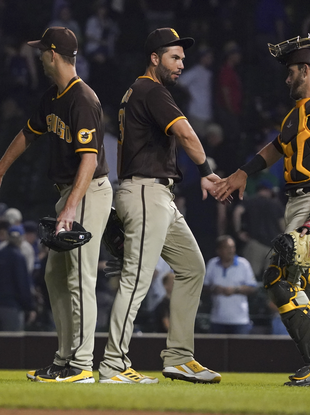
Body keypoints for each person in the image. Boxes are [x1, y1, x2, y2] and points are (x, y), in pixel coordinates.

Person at [0, 27, 112, 384]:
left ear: (52, 54)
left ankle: (81, 365)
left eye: (40, 51)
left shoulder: (83, 99)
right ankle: (65, 358)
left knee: (80, 277)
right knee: (54, 277)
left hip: (89, 190)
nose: (36, 56)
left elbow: (90, 160)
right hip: (69, 191)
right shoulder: (53, 97)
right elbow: (28, 133)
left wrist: (70, 208)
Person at [216, 34, 310, 387]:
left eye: (292, 70)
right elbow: (277, 147)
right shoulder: (299, 114)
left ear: (306, 70)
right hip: (299, 203)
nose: (287, 77)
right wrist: (243, 171)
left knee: (283, 278)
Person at [97, 28, 225, 385]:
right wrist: (205, 172)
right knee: (137, 280)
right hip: (145, 192)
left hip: (155, 193)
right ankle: (113, 365)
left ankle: (179, 357)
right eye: (175, 56)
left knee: (192, 267)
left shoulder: (137, 93)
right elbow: (185, 132)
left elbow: (130, 146)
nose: (182, 63)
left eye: (183, 58)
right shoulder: (151, 90)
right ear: (154, 58)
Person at [0, 225, 36, 331]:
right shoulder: (18, 257)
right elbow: (22, 284)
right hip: (11, 307)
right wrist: (29, 307)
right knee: (13, 344)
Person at [204, 235, 258, 335]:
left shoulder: (244, 264)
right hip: (217, 320)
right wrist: (214, 289)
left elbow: (252, 287)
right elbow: (204, 287)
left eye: (232, 247)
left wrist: (235, 290)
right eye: (226, 248)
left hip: (240, 321)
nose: (230, 251)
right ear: (218, 250)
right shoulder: (212, 264)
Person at [231, 182, 285, 280]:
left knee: (250, 277)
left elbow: (237, 212)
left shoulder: (250, 201)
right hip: (272, 247)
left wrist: (238, 231)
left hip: (254, 244)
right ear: (269, 190)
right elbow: (283, 225)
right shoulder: (275, 204)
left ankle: (251, 295)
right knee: (271, 279)